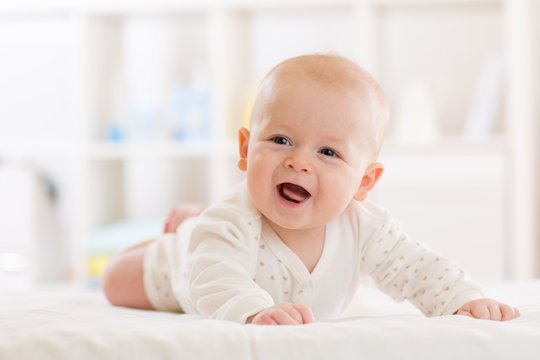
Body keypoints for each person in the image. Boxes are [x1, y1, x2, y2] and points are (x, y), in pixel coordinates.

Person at [103, 54, 520, 325]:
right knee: (114, 280)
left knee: (204, 230)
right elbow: (215, 277)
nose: (299, 161)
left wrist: (461, 299)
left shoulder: (365, 227)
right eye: (281, 140)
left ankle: (192, 219)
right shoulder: (234, 219)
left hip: (213, 239)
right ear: (246, 149)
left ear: (364, 183)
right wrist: (253, 312)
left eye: (328, 152)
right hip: (186, 264)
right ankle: (187, 229)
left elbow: (416, 267)